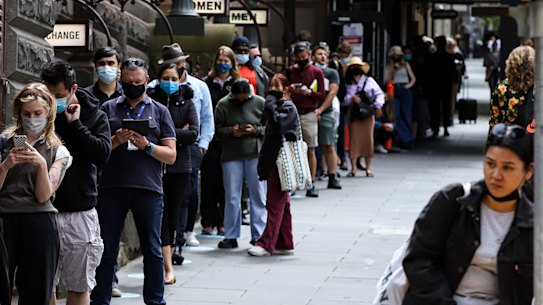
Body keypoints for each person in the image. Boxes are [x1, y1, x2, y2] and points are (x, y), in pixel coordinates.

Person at [403, 123, 534, 305]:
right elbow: (419, 259)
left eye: (508, 167)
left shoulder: (534, 222)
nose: (496, 175)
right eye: (490, 164)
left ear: (528, 172)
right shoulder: (452, 201)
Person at [91, 58, 176, 305]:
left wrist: (147, 146)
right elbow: (97, 150)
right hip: (112, 188)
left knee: (152, 249)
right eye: (128, 82)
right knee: (106, 249)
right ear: (120, 81)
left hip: (148, 188)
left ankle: (155, 301)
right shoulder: (107, 108)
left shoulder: (160, 111)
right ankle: (100, 300)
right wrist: (116, 141)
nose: (134, 86)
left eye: (138, 82)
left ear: (147, 81)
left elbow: (171, 155)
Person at [41, 61, 111, 305]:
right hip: (42, 209)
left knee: (79, 286)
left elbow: (102, 153)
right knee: (41, 286)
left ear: (73, 89)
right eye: (48, 94)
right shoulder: (38, 113)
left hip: (79, 211)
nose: (52, 101)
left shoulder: (94, 114)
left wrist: (77, 125)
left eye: (58, 96)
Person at [0, 83, 72, 305]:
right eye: (27, 114)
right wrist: (4, 166)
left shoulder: (58, 150)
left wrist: (41, 165)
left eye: (38, 113)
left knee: (36, 291)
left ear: (48, 113)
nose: (32, 119)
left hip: (39, 220)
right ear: (19, 115)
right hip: (4, 219)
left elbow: (44, 196)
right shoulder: (4, 143)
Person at [149, 43, 215, 257]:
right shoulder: (151, 92)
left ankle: (181, 237)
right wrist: (176, 133)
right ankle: (163, 245)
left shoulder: (195, 89)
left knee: (187, 195)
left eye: (177, 67)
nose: (170, 82)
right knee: (159, 203)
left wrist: (202, 143)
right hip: (155, 157)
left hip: (188, 153)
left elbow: (202, 121)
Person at [147, 63, 199, 284]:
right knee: (160, 215)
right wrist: (178, 133)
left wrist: (165, 135)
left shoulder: (187, 103)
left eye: (173, 78)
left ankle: (169, 257)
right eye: (165, 78)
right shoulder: (150, 100)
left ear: (181, 79)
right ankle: (166, 266)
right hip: (154, 165)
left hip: (179, 166)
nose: (169, 82)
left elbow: (194, 133)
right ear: (158, 79)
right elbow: (148, 130)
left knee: (173, 214)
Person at [84, 47, 124, 298]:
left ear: (118, 66)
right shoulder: (86, 96)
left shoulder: (128, 93)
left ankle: (111, 278)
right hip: (93, 170)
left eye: (110, 62)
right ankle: (95, 280)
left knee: (112, 230)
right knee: (96, 229)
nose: (106, 67)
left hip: (122, 171)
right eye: (101, 63)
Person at [214, 79, 267, 249]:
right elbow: (217, 130)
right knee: (232, 196)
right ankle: (231, 235)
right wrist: (232, 131)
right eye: (239, 98)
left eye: (246, 98)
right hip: (231, 154)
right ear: (233, 95)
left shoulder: (259, 102)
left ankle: (258, 234)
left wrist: (255, 130)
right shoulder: (223, 104)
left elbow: (269, 127)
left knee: (258, 194)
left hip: (255, 153)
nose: (243, 101)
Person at [249, 74, 298, 257]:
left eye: (278, 85)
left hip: (281, 161)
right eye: (271, 86)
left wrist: (269, 103)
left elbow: (278, 125)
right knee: (282, 204)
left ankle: (266, 242)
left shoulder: (288, 107)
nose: (273, 89)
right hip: (274, 160)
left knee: (274, 203)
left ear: (286, 89)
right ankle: (285, 242)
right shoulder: (277, 107)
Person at [200, 45, 240, 236]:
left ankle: (223, 220)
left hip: (231, 138)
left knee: (227, 182)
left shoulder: (238, 83)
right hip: (211, 137)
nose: (223, 64)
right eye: (220, 60)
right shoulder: (207, 83)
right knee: (209, 181)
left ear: (232, 63)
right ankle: (208, 221)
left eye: (227, 61)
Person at [286, 41, 326, 198]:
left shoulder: (317, 72)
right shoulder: (290, 71)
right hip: (293, 112)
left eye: (304, 56)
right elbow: (283, 89)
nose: (301, 59)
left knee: (310, 148)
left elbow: (321, 94)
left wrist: (308, 92)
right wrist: (291, 90)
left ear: (309, 55)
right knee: (293, 148)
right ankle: (293, 182)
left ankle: (311, 182)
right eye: (298, 57)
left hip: (309, 113)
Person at [343, 57, 385, 177]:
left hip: (367, 114)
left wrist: (378, 106)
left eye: (357, 66)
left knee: (368, 140)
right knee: (354, 140)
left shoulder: (369, 81)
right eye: (353, 66)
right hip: (353, 114)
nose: (355, 68)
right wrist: (351, 99)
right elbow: (344, 101)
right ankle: (354, 168)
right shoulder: (348, 83)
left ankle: (368, 168)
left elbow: (379, 94)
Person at [312, 44, 341, 189]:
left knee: (328, 145)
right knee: (309, 147)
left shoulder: (331, 73)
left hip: (326, 112)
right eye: (319, 54)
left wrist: (321, 110)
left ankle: (332, 176)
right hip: (308, 111)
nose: (323, 57)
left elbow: (332, 93)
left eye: (325, 54)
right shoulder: (308, 71)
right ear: (313, 56)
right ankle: (310, 178)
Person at [489, 45, 535, 130]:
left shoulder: (502, 88)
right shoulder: (538, 88)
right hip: (535, 138)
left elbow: (495, 121)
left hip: (510, 139)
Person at [384, 46, 416, 148]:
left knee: (406, 114)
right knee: (396, 114)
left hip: (405, 89)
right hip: (394, 89)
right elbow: (386, 80)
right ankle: (401, 138)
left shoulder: (406, 64)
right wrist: (393, 71)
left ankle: (407, 139)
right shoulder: (389, 66)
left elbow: (413, 78)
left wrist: (407, 86)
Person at [428, 36, 457, 137]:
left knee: (435, 106)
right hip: (445, 84)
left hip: (435, 84)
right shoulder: (449, 57)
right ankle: (444, 127)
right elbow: (454, 72)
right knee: (445, 106)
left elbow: (429, 72)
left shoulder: (432, 57)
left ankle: (436, 127)